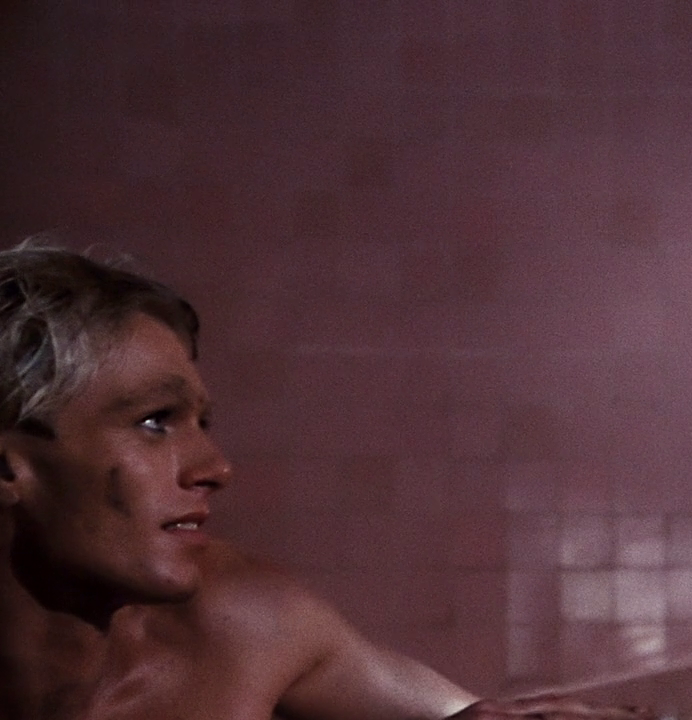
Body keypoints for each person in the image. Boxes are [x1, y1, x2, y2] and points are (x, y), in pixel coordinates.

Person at [0, 241, 649, 720]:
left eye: (202, 421)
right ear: (9, 468)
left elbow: (465, 716)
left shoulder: (242, 623)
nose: (214, 468)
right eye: (154, 421)